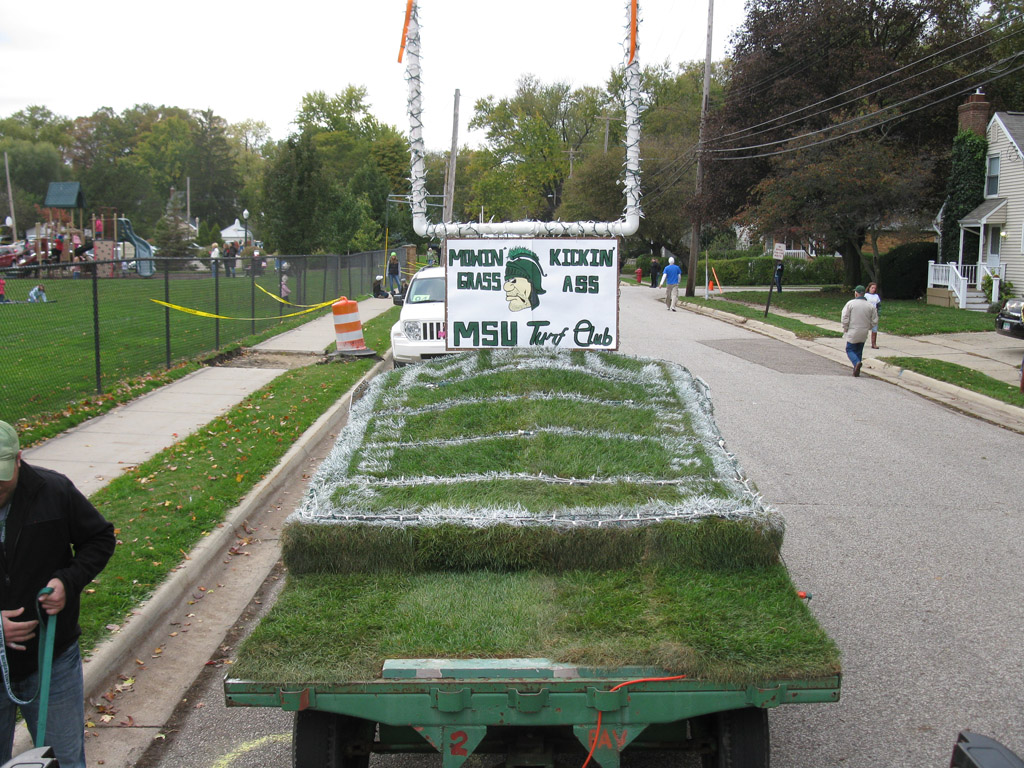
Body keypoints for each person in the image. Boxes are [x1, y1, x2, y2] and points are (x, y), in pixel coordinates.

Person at [0, 420, 116, 768]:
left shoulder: (53, 491)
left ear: (19, 459)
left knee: (64, 761)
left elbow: (99, 538)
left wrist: (69, 580)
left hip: (52, 661)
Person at [841, 285, 878, 377]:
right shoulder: (870, 306)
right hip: (864, 330)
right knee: (859, 349)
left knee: (849, 349)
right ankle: (856, 368)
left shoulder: (851, 304)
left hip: (853, 330)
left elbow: (845, 317)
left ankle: (856, 362)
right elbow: (875, 320)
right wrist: (869, 327)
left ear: (856, 293)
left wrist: (845, 327)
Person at [865, 282, 882, 348]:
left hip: (874, 314)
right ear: (869, 288)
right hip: (867, 313)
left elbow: (879, 306)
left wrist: (879, 313)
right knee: (864, 328)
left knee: (874, 329)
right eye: (872, 288)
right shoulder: (866, 296)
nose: (873, 289)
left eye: (875, 288)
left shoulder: (876, 296)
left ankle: (874, 343)